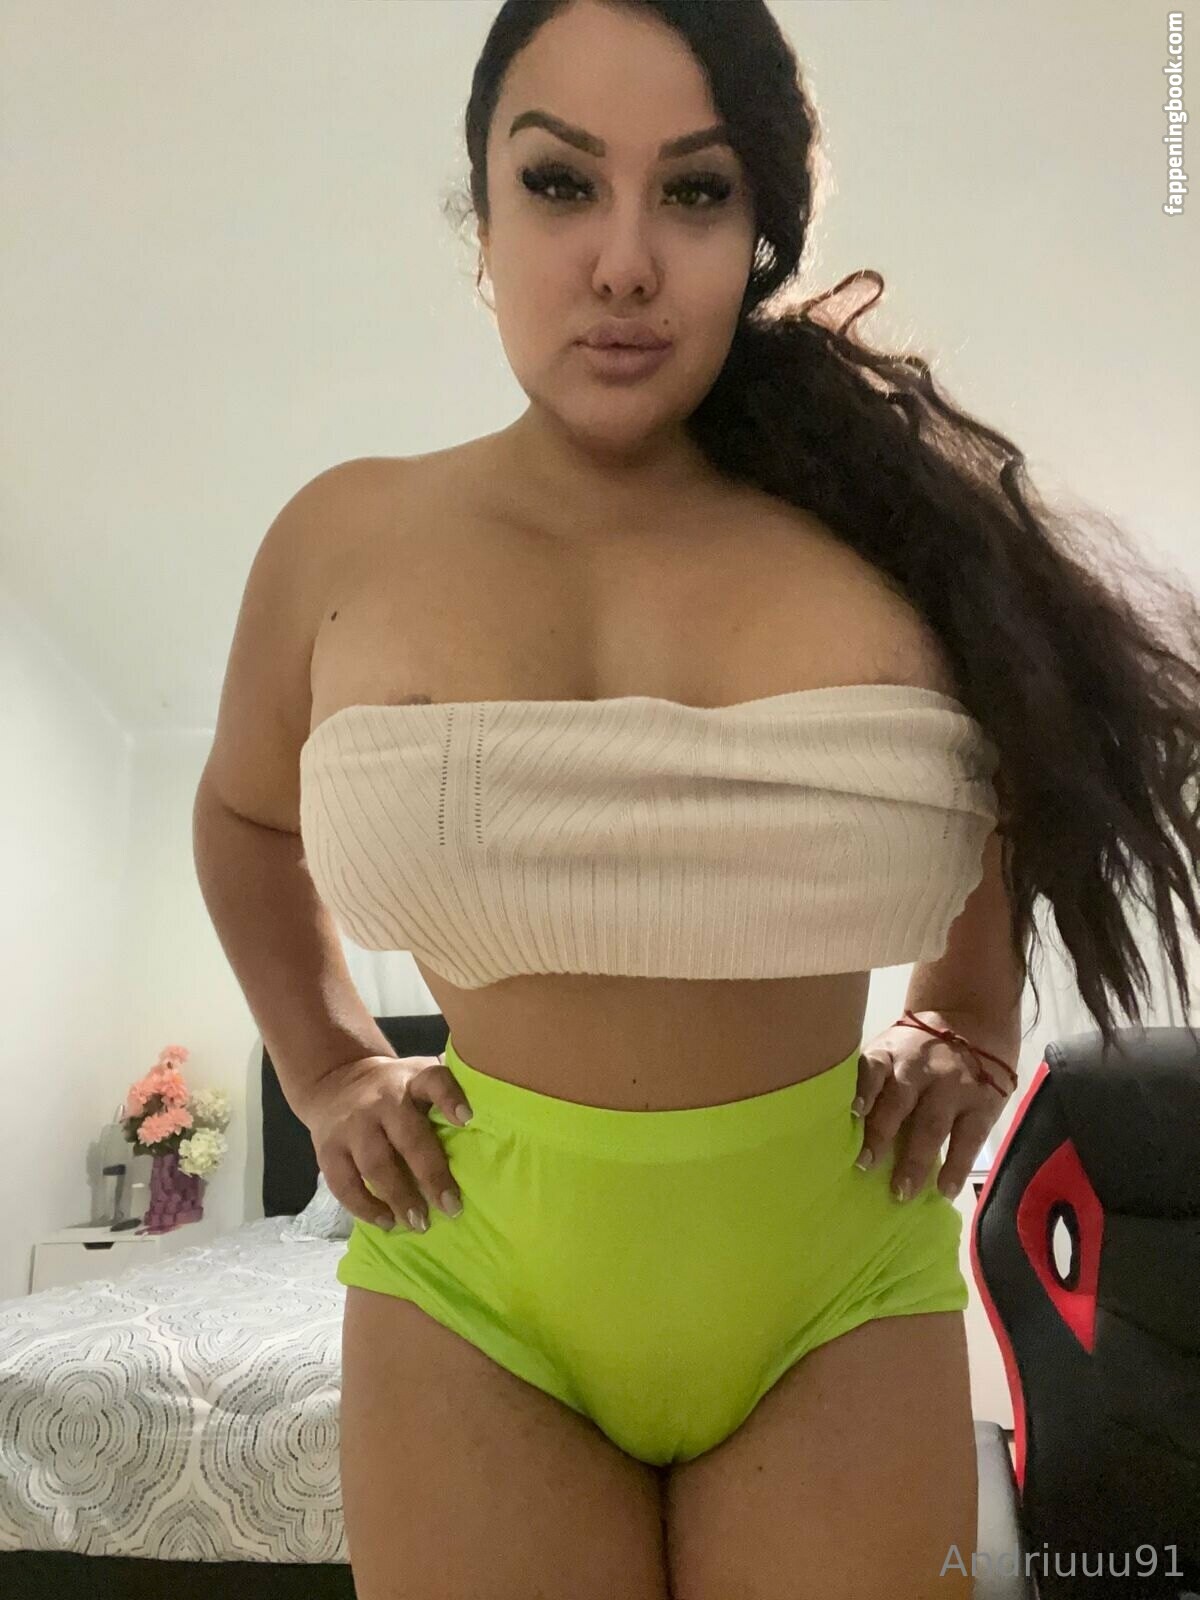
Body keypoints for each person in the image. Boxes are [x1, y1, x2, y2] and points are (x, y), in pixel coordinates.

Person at [193, 3, 1200, 1597]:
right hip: (476, 1286)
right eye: (560, 184)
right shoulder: (344, 539)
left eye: (696, 191)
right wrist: (326, 1068)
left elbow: (1022, 777)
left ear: (760, 238)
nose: (623, 263)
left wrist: (968, 1011)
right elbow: (246, 818)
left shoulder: (896, 537)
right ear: (481, 217)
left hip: (831, 1280)